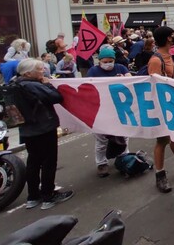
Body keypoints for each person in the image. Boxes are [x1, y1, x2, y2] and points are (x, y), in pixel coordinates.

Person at [14, 58, 74, 210]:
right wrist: (47, 84)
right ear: (28, 73)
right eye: (39, 69)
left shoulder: (14, 84)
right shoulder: (33, 85)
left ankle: (33, 196)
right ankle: (48, 196)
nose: (43, 72)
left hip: (27, 129)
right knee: (48, 162)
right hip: (44, 127)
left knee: (33, 162)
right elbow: (56, 97)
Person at [148, 26, 174, 193]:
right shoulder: (156, 60)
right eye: (173, 35)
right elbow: (153, 86)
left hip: (170, 103)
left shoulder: (169, 55)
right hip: (161, 105)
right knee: (162, 140)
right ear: (167, 39)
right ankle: (160, 175)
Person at [87, 47, 131, 177]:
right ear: (100, 61)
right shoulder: (93, 71)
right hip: (100, 109)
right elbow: (88, 87)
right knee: (102, 139)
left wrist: (124, 78)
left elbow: (131, 80)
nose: (108, 64)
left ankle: (124, 158)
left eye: (110, 61)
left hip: (119, 108)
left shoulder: (121, 68)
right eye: (105, 61)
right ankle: (101, 164)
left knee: (124, 135)